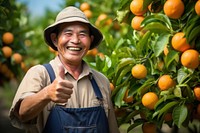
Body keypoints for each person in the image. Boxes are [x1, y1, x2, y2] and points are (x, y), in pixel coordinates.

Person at [9, 6, 120, 133]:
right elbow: (22, 113)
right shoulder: (40, 74)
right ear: (55, 39)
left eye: (82, 34)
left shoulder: (101, 81)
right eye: (68, 33)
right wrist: (47, 93)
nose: (75, 40)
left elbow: (112, 129)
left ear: (91, 40)